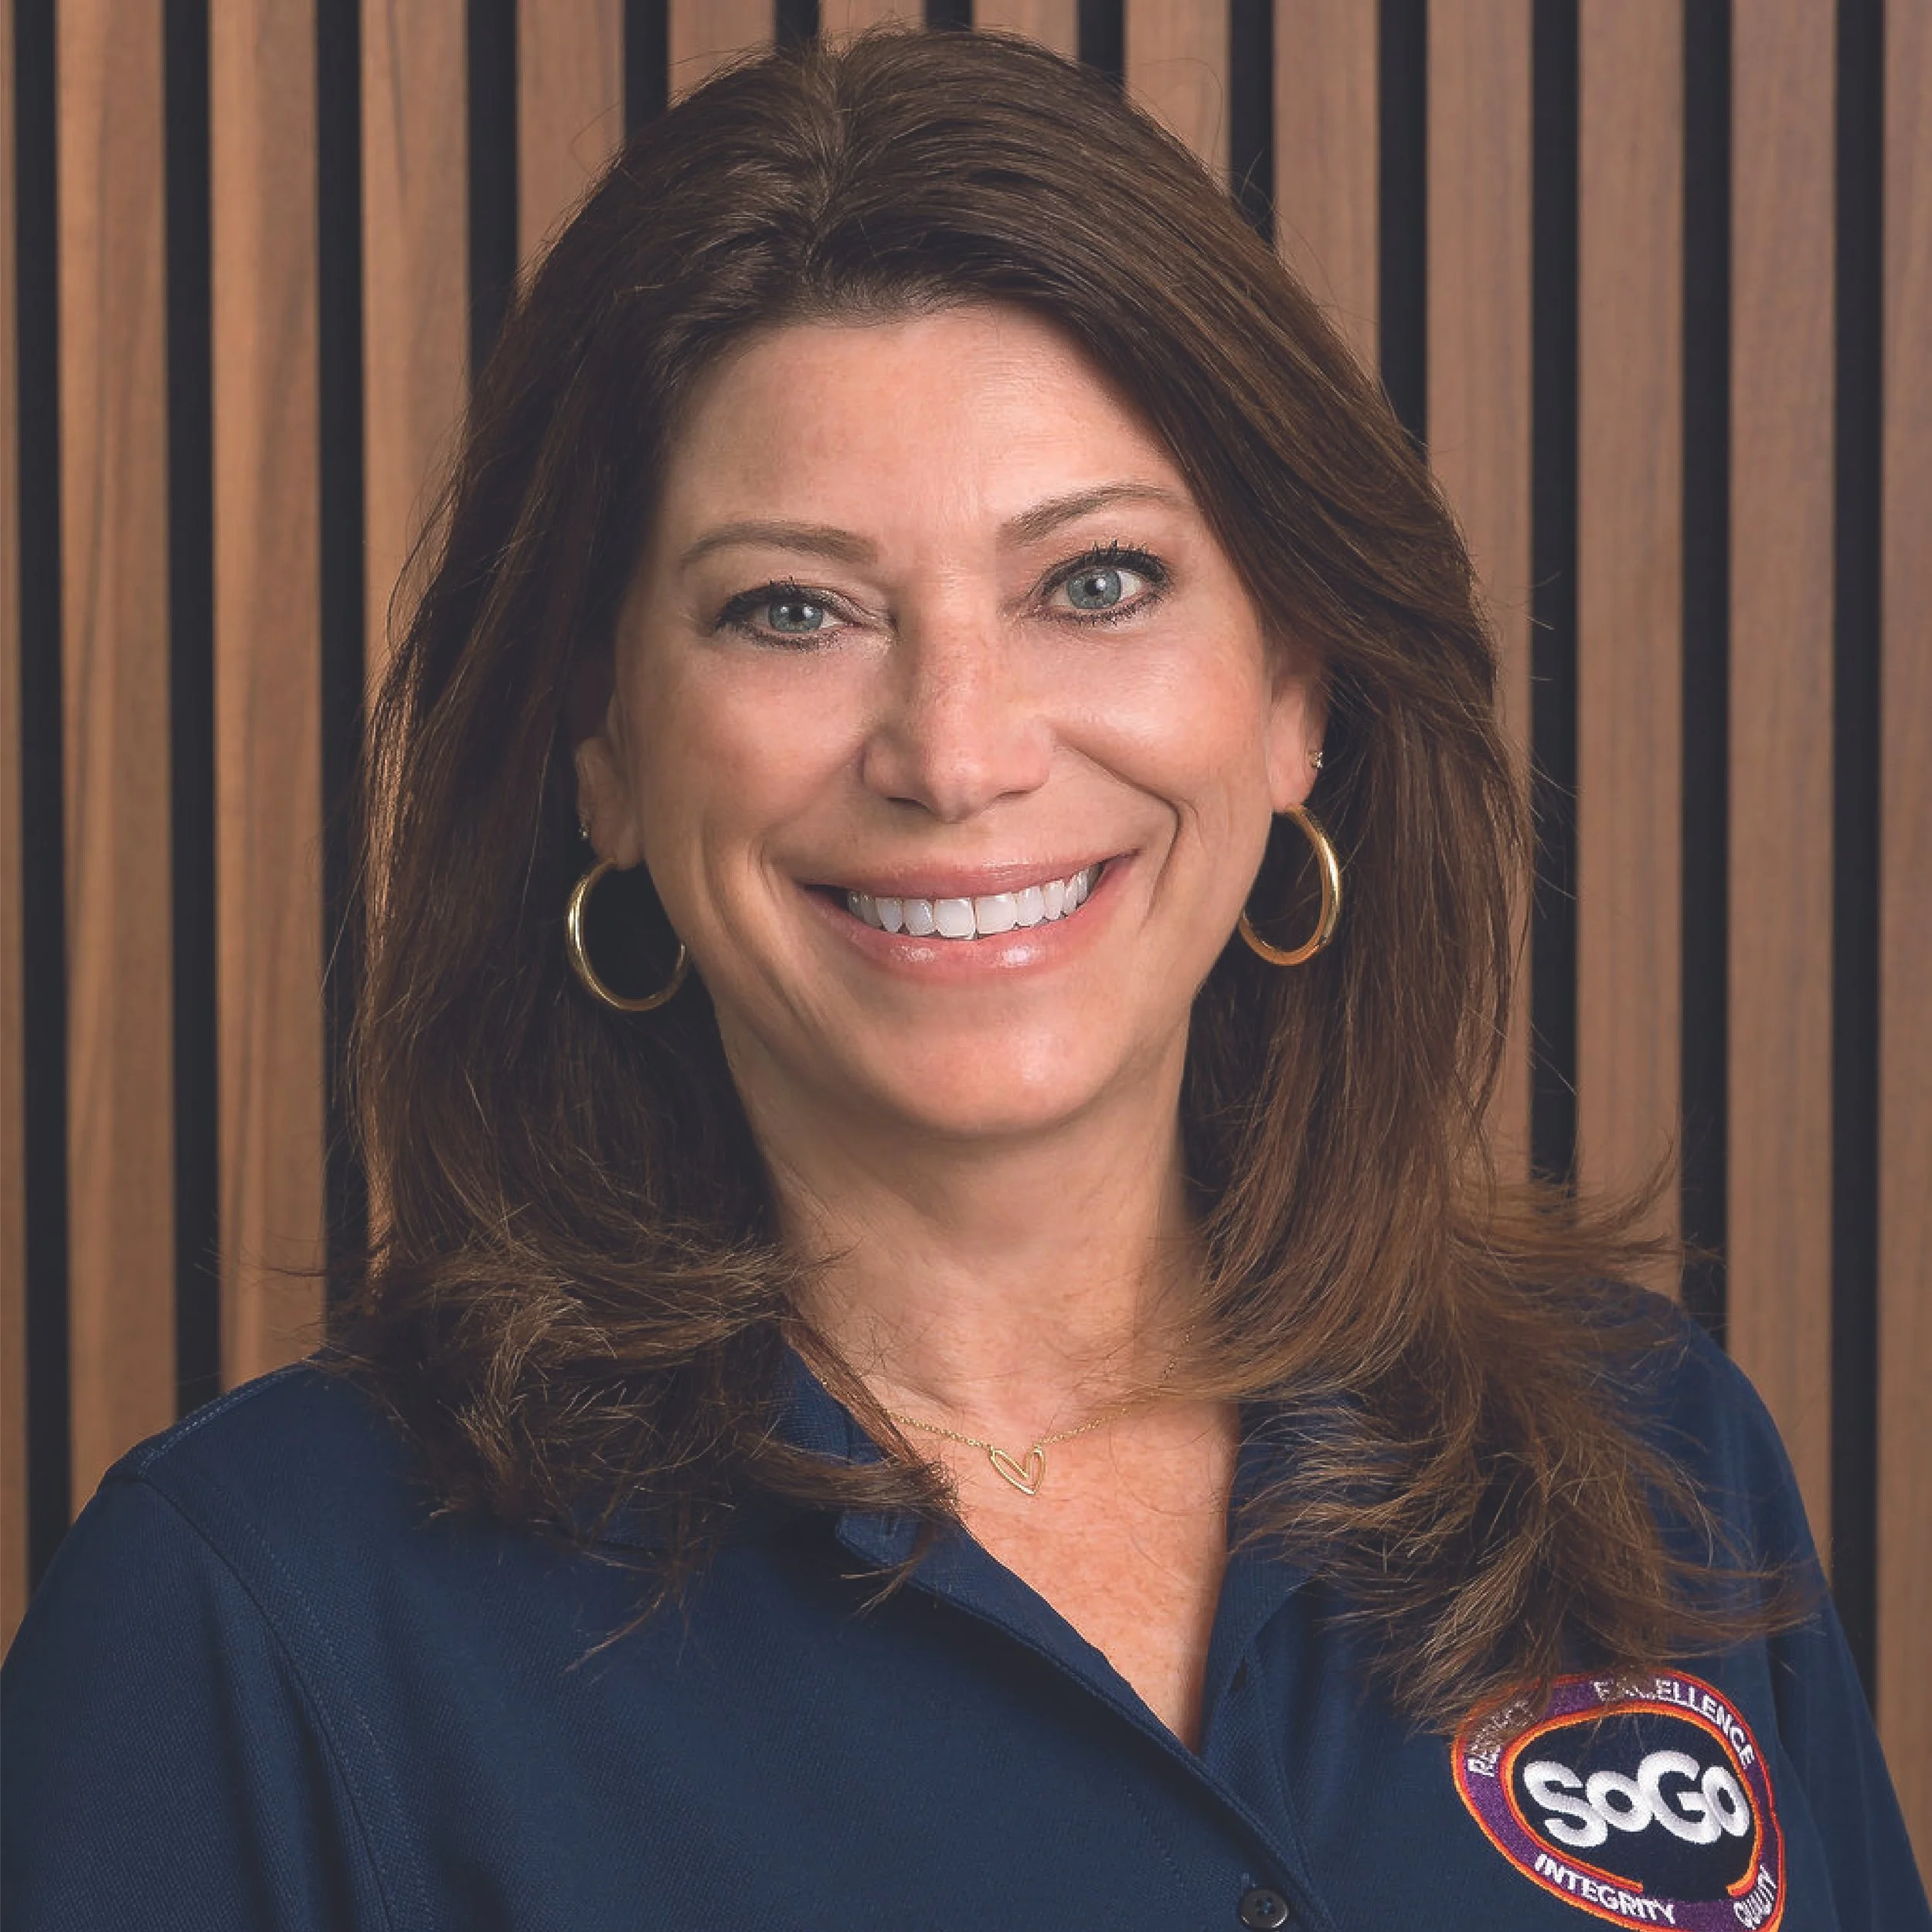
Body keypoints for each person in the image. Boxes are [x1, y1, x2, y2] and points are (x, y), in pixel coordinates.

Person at [3, 26, 1923, 1931]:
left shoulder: (1649, 1457)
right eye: (794, 609)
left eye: (1093, 580)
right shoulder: (247, 1625)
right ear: (601, 751)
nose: (956, 747)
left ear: (1294, 693)